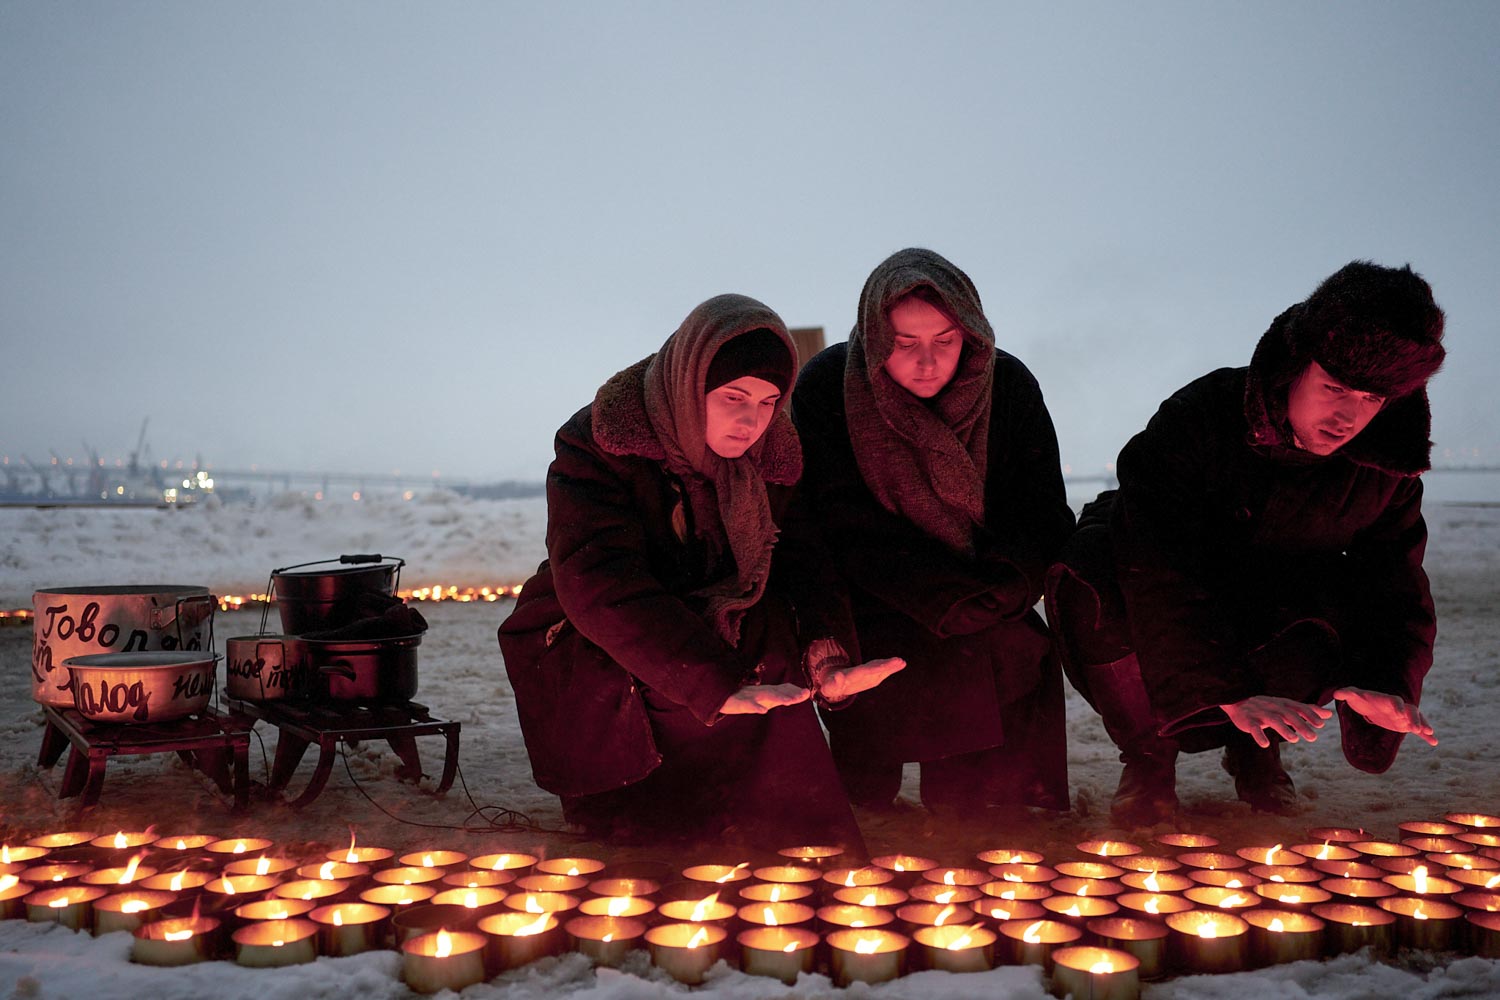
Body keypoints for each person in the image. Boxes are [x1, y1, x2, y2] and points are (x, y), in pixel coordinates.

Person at [498, 293, 903, 852]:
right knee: (656, 704)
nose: (751, 421)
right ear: (690, 385)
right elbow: (598, 580)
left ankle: (791, 843)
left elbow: (804, 562)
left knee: (773, 655)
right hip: (594, 628)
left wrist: (827, 656)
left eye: (768, 402)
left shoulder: (775, 455)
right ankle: (642, 820)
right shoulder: (603, 441)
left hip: (718, 605)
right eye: (733, 397)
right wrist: (711, 681)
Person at [1046, 260, 1445, 826]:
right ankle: (1149, 759)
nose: (1347, 416)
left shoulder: (1384, 466)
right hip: (1162, 586)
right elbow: (1157, 570)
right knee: (1087, 578)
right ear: (1296, 367)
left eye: (1371, 398)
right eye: (1333, 388)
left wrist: (1382, 682)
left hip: (1281, 604)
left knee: (1330, 604)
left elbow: (1395, 584)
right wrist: (1217, 688)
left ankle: (1259, 749)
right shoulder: (1198, 419)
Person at [792, 248, 1075, 817]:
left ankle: (989, 794)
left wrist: (1009, 585)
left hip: (985, 586)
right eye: (904, 344)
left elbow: (1041, 508)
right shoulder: (828, 386)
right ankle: (871, 779)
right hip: (877, 588)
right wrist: (938, 597)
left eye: (945, 340)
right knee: (866, 793)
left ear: (970, 331)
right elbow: (833, 520)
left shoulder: (1008, 385)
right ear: (876, 337)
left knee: (981, 807)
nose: (928, 362)